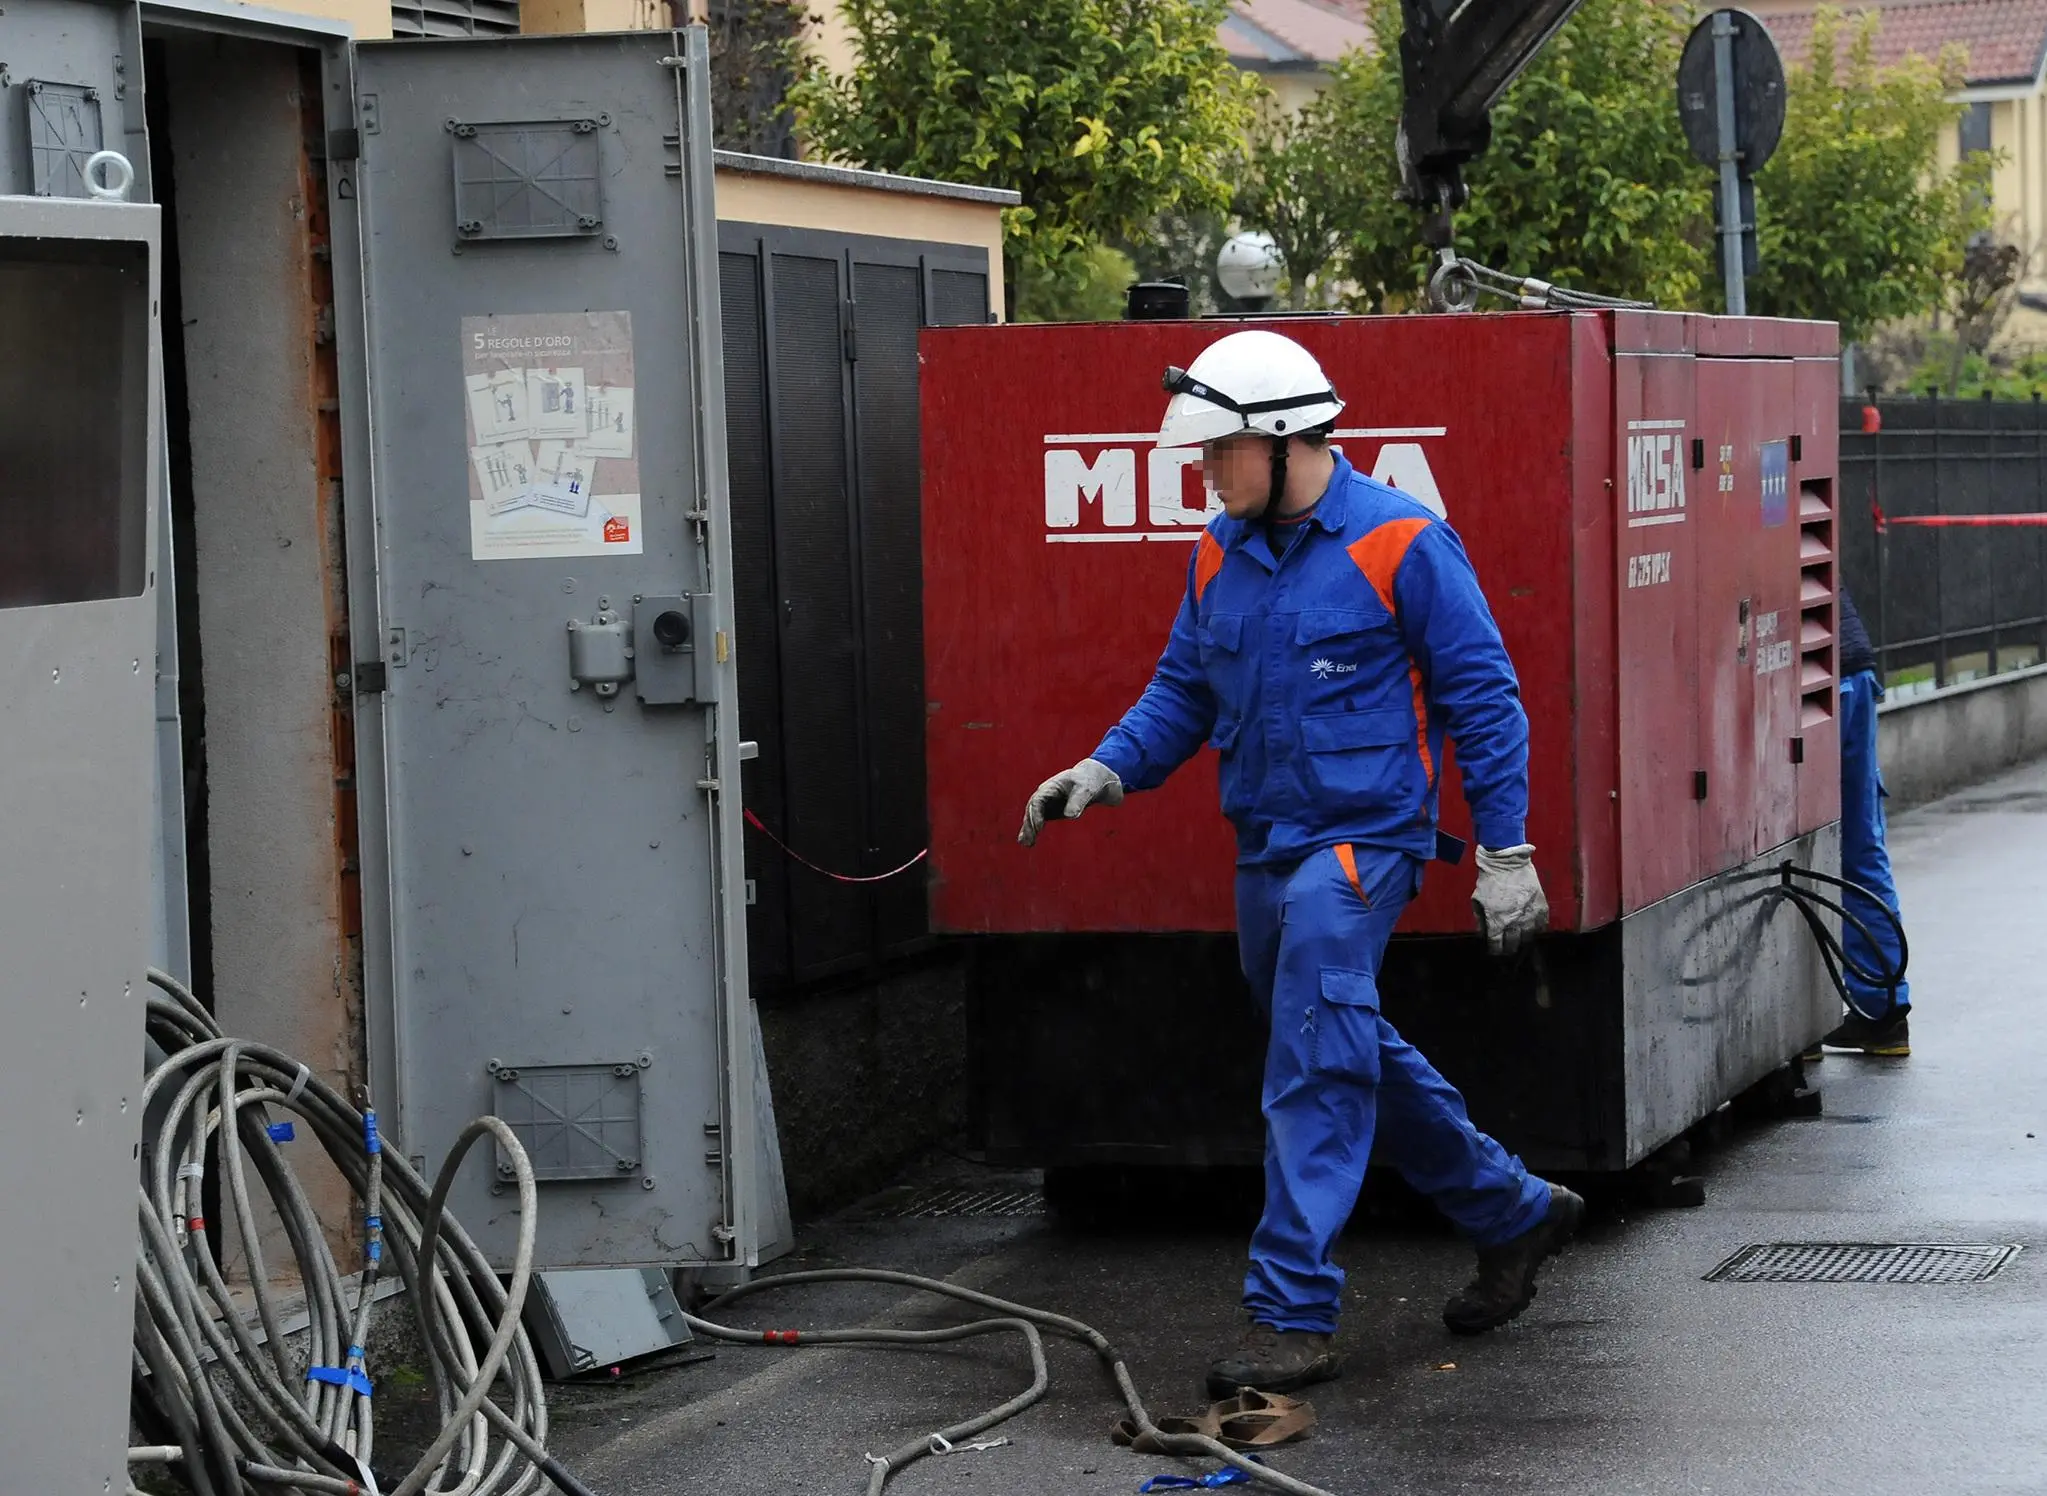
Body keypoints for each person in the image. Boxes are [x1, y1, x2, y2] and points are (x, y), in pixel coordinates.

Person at [1016, 330, 1583, 1398]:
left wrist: (1505, 849)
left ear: (1281, 441)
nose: (1200, 470)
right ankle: (1513, 1208)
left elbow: (1485, 702)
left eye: (1216, 451)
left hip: (1359, 848)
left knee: (1311, 1069)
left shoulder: (1403, 540)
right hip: (1267, 851)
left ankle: (1291, 1311)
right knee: (1340, 1040)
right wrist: (1103, 767)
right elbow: (1182, 688)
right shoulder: (1218, 549)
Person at [1818, 586, 1911, 1056]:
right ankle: (1884, 1011)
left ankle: (1799, 1024)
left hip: (1811, 678)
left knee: (1787, 848)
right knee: (1860, 845)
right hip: (1851, 665)